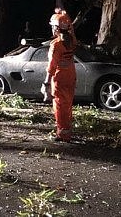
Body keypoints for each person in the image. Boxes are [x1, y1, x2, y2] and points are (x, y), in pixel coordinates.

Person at [41, 8, 77, 142]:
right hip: (71, 77)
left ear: (56, 28)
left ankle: (62, 134)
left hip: (60, 79)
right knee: (67, 106)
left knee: (60, 106)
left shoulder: (56, 45)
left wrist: (46, 83)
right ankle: (66, 131)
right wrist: (65, 15)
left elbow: (51, 66)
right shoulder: (71, 41)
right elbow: (71, 29)